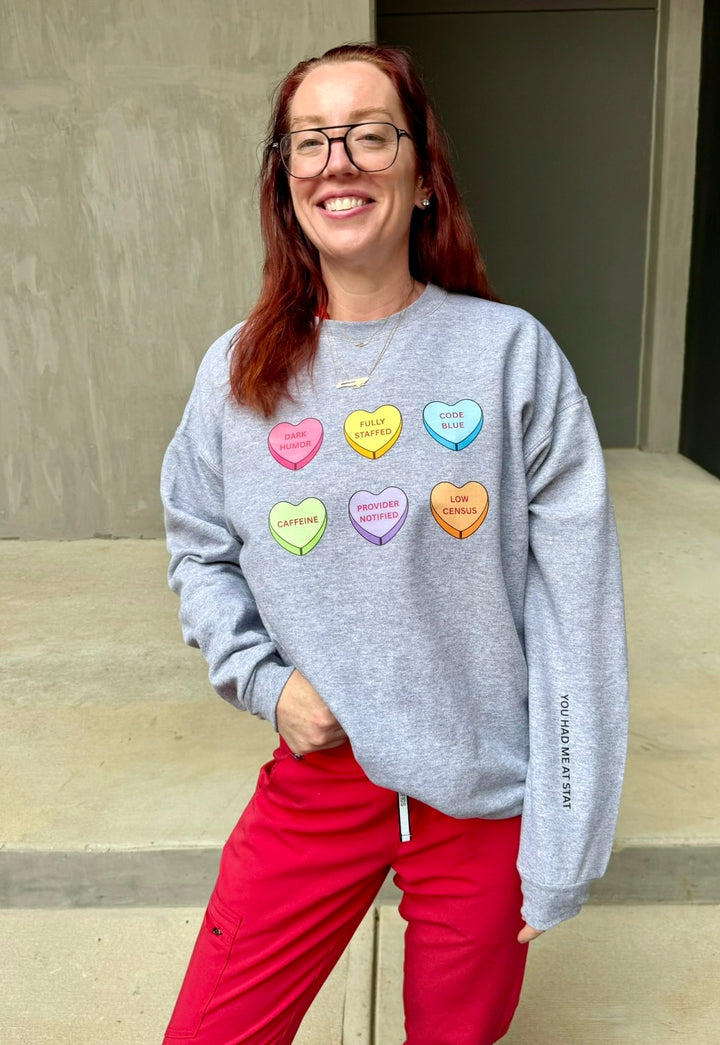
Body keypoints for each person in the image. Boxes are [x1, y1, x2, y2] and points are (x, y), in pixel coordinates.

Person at [160, 41, 628, 1045]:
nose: (339, 161)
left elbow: (576, 612)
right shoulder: (237, 373)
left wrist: (560, 837)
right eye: (311, 141)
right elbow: (197, 546)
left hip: (479, 798)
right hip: (321, 781)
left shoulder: (510, 358)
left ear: (422, 177)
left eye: (370, 134)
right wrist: (264, 680)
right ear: (286, 186)